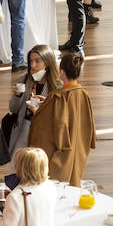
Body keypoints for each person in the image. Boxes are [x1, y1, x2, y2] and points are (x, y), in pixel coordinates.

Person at [27, 51, 96, 185]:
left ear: (62, 72)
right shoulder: (83, 94)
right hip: (78, 147)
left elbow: (45, 125)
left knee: (58, 186)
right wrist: (47, 103)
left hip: (62, 152)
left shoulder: (58, 97)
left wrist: (37, 111)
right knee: (73, 183)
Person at [6, 45, 59, 158]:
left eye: (37, 61)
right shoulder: (23, 80)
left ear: (47, 63)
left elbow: (60, 115)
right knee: (16, 166)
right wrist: (17, 95)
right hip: (24, 127)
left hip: (44, 132)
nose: (32, 65)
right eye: (30, 61)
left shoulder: (57, 86)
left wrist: (43, 109)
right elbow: (13, 109)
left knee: (38, 167)